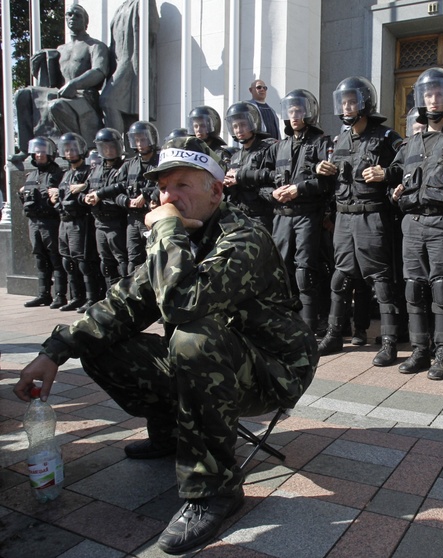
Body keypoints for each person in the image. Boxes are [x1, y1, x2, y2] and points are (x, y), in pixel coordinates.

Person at [13, 137, 319, 554]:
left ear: (215, 190)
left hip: (273, 371)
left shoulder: (245, 237)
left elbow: (184, 305)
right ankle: (170, 433)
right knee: (101, 343)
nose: (168, 198)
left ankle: (214, 491)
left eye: (182, 186)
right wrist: (55, 350)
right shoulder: (182, 235)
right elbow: (126, 302)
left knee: (192, 337)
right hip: (216, 363)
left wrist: (166, 229)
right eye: (162, 188)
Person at [385, 68, 443, 379]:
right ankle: (419, 350)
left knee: (442, 289)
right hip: (411, 222)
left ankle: (442, 353)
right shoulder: (409, 144)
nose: (433, 100)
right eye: (428, 95)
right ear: (420, 99)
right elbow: (394, 178)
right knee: (414, 289)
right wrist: (393, 192)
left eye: (439, 94)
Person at [315, 76, 404, 366]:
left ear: (364, 103)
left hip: (372, 217)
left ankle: (389, 342)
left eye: (352, 101)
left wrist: (386, 174)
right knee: (340, 277)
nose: (347, 107)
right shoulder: (339, 138)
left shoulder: (387, 137)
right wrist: (322, 171)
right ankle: (334, 333)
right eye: (343, 102)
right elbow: (330, 184)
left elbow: (408, 165)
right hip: (343, 217)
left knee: (380, 279)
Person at [257, 90, 334, 333]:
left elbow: (328, 184)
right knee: (282, 269)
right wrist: (272, 194)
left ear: (309, 112)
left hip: (307, 215)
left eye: (299, 111)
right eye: (291, 112)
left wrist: (299, 189)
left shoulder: (322, 143)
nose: (295, 116)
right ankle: (287, 321)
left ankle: (310, 325)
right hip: (281, 216)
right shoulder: (278, 147)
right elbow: (261, 180)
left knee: (305, 270)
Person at [12, 4, 110, 156]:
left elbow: (99, 71)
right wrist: (40, 64)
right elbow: (50, 82)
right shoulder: (60, 50)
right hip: (61, 92)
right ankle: (25, 149)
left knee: (56, 105)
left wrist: (74, 84)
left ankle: (78, 148)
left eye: (77, 15)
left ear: (86, 22)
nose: (72, 18)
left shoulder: (95, 46)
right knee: (22, 95)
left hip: (83, 96)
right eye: (69, 15)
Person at [52, 133, 98, 312]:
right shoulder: (65, 174)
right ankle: (76, 296)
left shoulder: (89, 171)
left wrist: (84, 187)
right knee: (67, 260)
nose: (70, 153)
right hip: (64, 222)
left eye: (73, 149)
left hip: (80, 222)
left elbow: (94, 188)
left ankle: (91, 298)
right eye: (67, 150)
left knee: (83, 262)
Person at [18, 137, 66, 308]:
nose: (39, 155)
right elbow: (25, 200)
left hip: (50, 222)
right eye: (36, 151)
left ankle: (60, 295)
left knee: (55, 257)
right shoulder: (31, 175)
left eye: (43, 152)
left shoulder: (57, 174)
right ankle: (43, 294)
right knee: (40, 258)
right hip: (34, 222)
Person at [100, 0, 160, 133]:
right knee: (128, 114)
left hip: (131, 63)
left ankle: (116, 145)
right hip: (117, 63)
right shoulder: (120, 8)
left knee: (107, 100)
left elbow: (152, 28)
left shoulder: (143, 2)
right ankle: (127, 150)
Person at [112, 121, 160, 274]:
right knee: (133, 259)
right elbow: (115, 191)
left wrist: (146, 196)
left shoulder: (161, 161)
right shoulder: (129, 165)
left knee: (154, 258)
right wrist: (127, 201)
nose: (140, 144)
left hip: (153, 217)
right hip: (133, 220)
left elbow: (166, 184)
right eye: (137, 140)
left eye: (143, 139)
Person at [82, 128, 128, 290]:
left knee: (122, 261)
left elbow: (123, 187)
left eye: (111, 146)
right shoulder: (96, 170)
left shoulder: (124, 167)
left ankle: (124, 295)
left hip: (116, 222)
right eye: (104, 147)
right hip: (99, 223)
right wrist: (86, 197)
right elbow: (86, 189)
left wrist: (100, 195)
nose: (108, 151)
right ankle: (111, 294)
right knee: (106, 263)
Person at [222, 102, 277, 231]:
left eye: (243, 124)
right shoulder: (235, 156)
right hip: (239, 216)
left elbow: (274, 175)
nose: (239, 130)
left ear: (253, 124)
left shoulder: (268, 149)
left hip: (262, 216)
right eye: (235, 126)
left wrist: (241, 177)